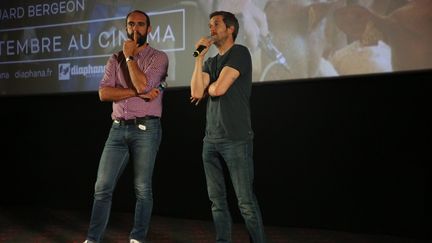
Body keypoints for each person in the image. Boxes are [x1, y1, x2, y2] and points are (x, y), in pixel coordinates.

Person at [83, 10, 169, 243]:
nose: (135, 29)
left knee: (142, 188)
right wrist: (136, 93)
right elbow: (103, 93)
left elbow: (144, 83)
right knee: (102, 187)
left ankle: (137, 238)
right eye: (131, 24)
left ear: (149, 29)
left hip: (147, 129)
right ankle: (93, 239)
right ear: (126, 28)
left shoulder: (159, 57)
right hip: (117, 128)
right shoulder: (114, 58)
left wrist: (130, 58)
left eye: (140, 25)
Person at [190, 11, 267, 243]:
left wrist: (210, 87)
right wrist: (198, 59)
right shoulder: (211, 62)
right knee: (217, 202)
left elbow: (219, 89)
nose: (211, 29)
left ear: (231, 28)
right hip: (210, 141)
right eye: (209, 24)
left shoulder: (240, 53)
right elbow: (196, 92)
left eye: (216, 24)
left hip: (236, 139)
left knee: (245, 202)